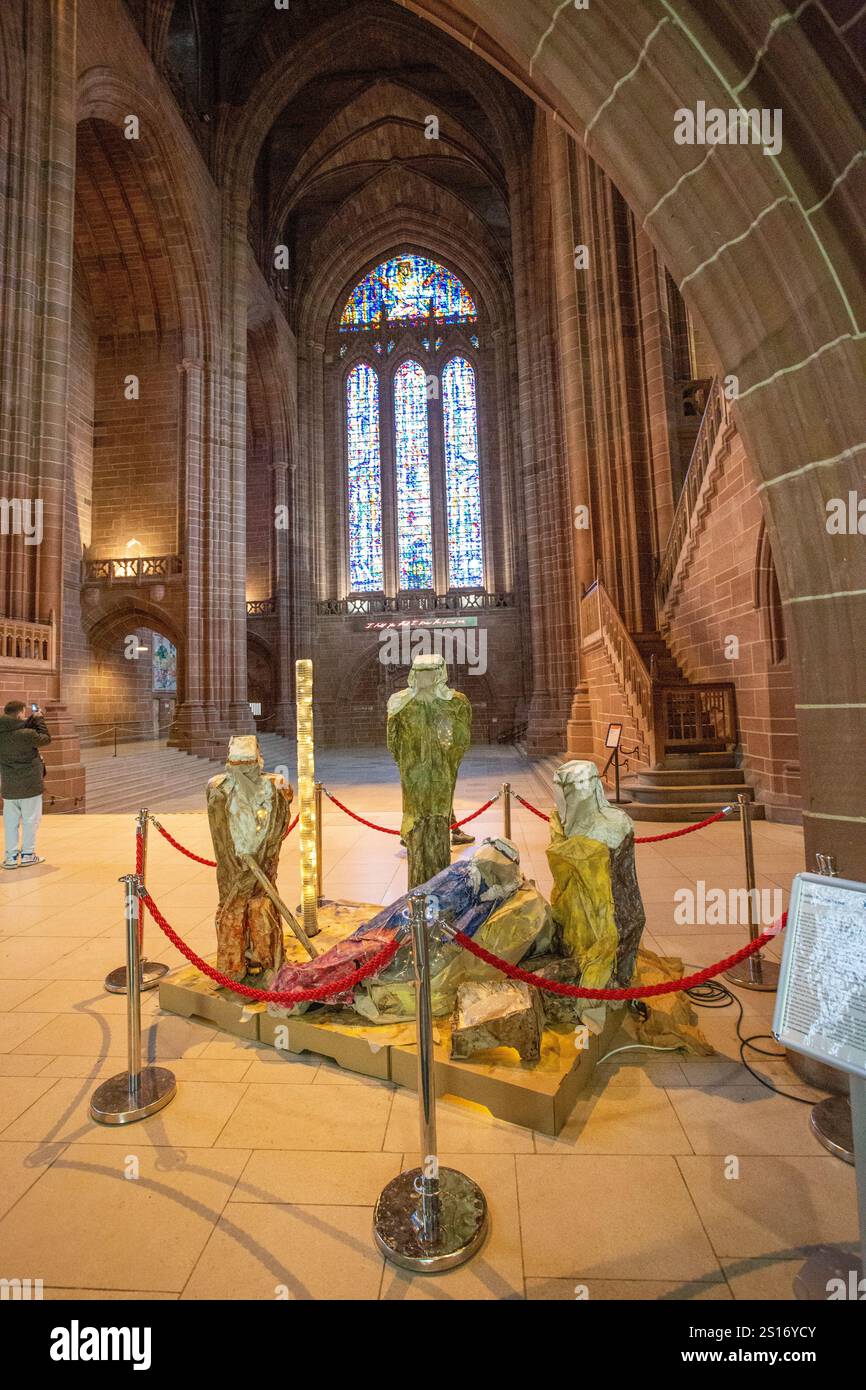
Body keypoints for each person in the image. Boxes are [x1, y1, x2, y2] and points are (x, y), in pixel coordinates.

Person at [0, 700, 51, 868]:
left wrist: (30, 720)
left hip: (9, 786)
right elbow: (45, 739)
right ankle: (28, 854)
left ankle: (11, 857)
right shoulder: (27, 734)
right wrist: (39, 720)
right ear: (20, 713)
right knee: (31, 820)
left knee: (10, 822)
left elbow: (14, 729)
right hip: (30, 785)